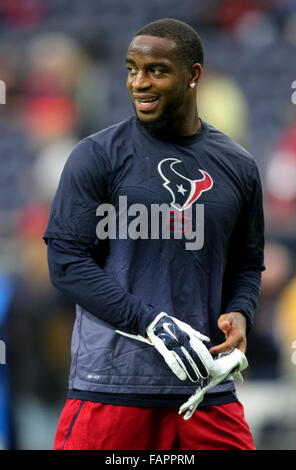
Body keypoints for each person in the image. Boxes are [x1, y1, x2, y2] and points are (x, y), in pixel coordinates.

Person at [43, 18, 265, 450]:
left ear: (194, 75)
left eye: (156, 71)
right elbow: (67, 264)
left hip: (205, 393)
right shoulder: (96, 156)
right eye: (131, 69)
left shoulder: (239, 166)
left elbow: (246, 263)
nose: (138, 83)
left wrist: (240, 313)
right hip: (111, 388)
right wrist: (150, 323)